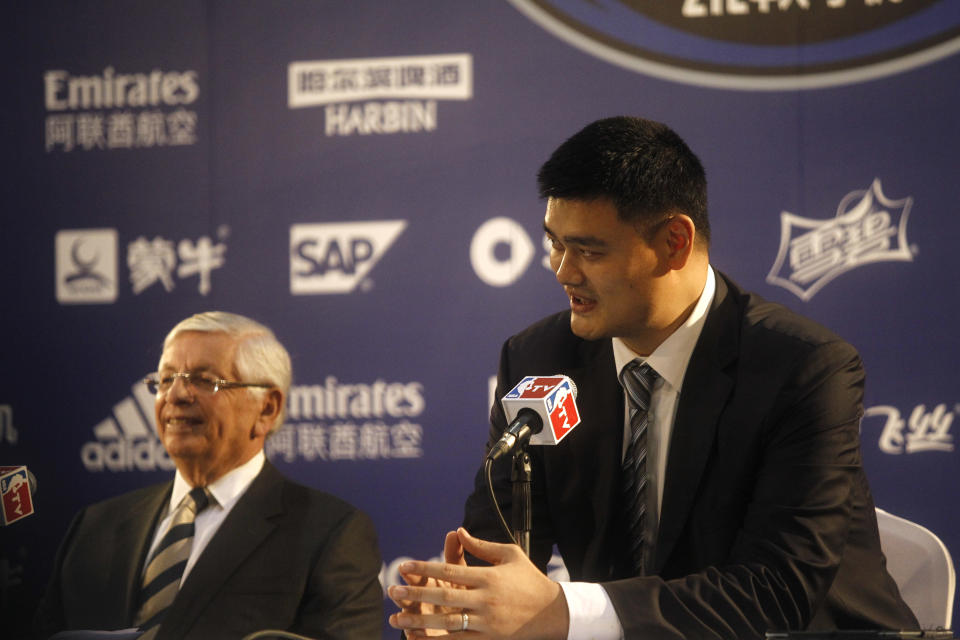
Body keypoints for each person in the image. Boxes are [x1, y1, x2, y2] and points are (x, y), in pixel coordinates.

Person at [388, 117, 918, 639]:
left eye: (590, 251)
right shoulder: (537, 359)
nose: (563, 271)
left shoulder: (802, 367)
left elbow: (777, 592)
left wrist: (567, 611)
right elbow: (499, 547)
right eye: (555, 243)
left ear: (675, 243)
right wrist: (465, 611)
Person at [36, 312, 384, 640]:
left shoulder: (329, 533)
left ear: (267, 408)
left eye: (204, 380)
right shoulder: (95, 526)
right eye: (166, 379)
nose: (175, 394)